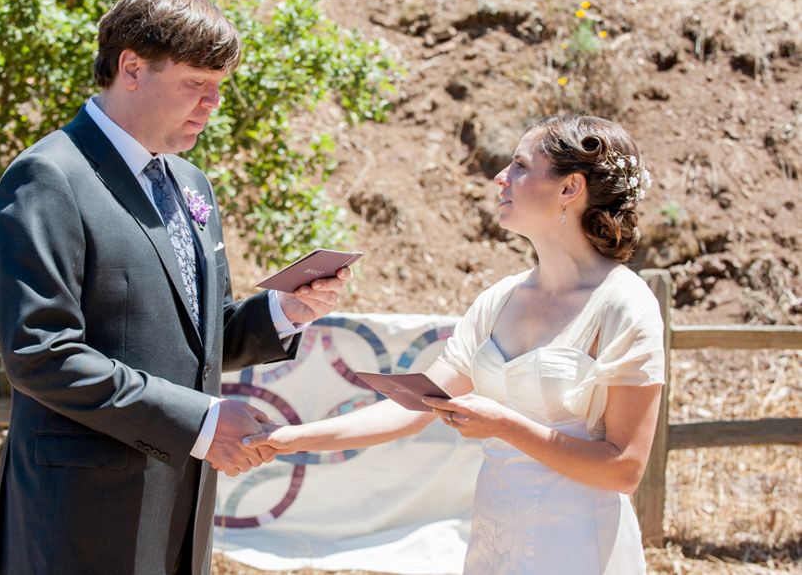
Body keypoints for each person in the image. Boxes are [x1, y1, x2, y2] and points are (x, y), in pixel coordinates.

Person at [0, 0, 350, 575]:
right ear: (131, 67)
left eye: (219, 87)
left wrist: (284, 311)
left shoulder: (189, 182)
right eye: (196, 83)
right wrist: (202, 422)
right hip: (83, 514)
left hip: (182, 502)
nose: (213, 103)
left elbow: (198, 338)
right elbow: (41, 354)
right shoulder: (49, 177)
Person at [248, 114, 664, 574]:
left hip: (579, 545)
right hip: (495, 534)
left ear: (570, 188)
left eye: (521, 166)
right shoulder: (499, 300)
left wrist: (504, 425)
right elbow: (411, 409)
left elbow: (624, 469)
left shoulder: (624, 304)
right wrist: (287, 438)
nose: (500, 177)